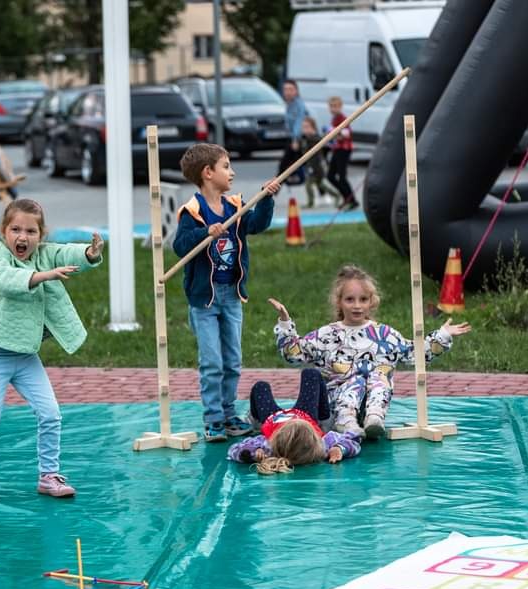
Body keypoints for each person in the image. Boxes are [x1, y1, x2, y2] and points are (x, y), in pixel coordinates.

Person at [0, 199, 104, 502]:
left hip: (25, 357)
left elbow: (64, 252)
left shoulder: (43, 254)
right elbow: (7, 281)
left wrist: (89, 254)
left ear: (40, 235)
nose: (22, 237)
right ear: (4, 231)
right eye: (15, 229)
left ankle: (48, 476)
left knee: (51, 414)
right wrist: (44, 276)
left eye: (30, 231)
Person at [269, 265, 472, 439]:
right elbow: (294, 355)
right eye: (350, 299)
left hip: (372, 408)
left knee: (378, 375)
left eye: (363, 299)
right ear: (339, 301)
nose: (357, 306)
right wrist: (286, 323)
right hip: (336, 408)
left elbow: (415, 354)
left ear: (371, 301)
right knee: (355, 379)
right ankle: (346, 422)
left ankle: (374, 419)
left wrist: (443, 335)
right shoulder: (327, 335)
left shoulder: (384, 335)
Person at [175, 143, 281, 442]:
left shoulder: (236, 205)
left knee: (232, 360)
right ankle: (213, 419)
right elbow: (180, 246)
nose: (231, 172)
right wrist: (205, 234)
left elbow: (257, 225)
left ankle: (228, 412)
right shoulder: (193, 212)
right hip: (204, 300)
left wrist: (267, 199)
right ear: (208, 173)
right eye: (226, 166)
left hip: (232, 296)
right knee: (212, 362)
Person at [228, 368, 362, 474]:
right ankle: (325, 418)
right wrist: (340, 448)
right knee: (311, 373)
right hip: (306, 415)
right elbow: (354, 437)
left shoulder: (268, 446)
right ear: (315, 439)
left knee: (260, 386)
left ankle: (255, 420)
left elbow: (235, 450)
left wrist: (252, 453)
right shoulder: (323, 445)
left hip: (273, 418)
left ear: (277, 438)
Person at [298, 116, 339, 209]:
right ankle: (336, 195)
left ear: (313, 127)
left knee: (309, 184)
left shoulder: (315, 138)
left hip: (317, 166)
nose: (305, 129)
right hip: (310, 165)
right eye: (303, 127)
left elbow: (322, 142)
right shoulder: (304, 138)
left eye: (307, 127)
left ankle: (311, 203)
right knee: (320, 184)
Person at [326, 96, 358, 210]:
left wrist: (336, 134)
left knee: (342, 177)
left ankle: (352, 200)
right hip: (337, 149)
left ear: (340, 107)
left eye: (335, 106)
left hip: (343, 149)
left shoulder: (341, 118)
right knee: (330, 176)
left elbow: (347, 133)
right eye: (331, 106)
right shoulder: (334, 119)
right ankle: (346, 197)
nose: (333, 109)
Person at [278, 79, 309, 186]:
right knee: (300, 164)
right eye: (285, 89)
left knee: (284, 165)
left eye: (290, 89)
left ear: (296, 91)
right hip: (293, 137)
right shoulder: (289, 104)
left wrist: (295, 140)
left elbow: (299, 122)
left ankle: (271, 193)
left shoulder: (298, 105)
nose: (287, 92)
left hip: (299, 138)